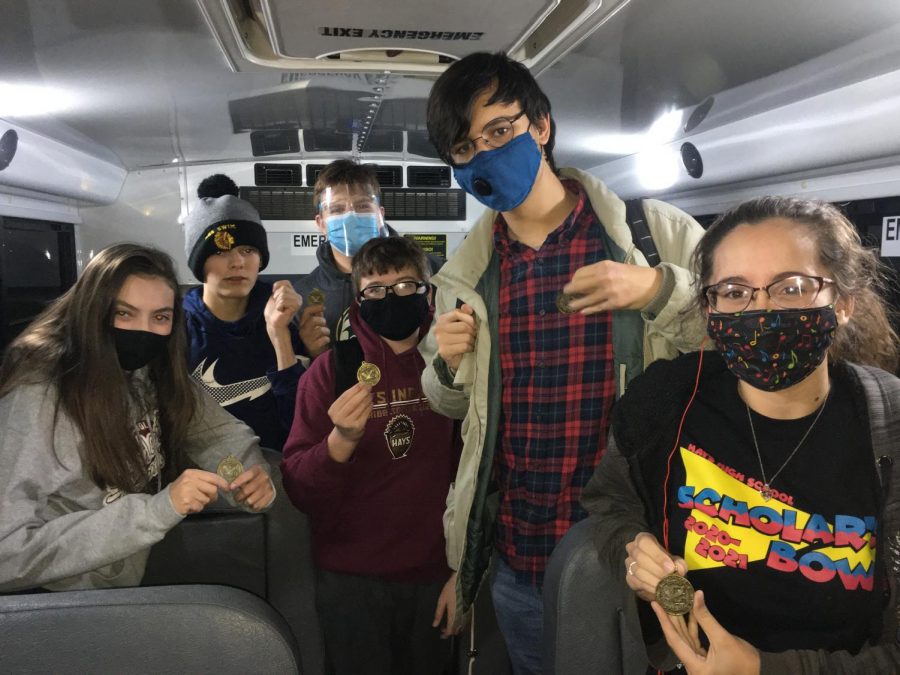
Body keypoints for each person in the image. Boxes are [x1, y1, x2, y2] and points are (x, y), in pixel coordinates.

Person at [419, 51, 706, 671]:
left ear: (541, 126)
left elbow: (740, 344)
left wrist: (657, 291)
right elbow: (450, 406)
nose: (485, 156)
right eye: (465, 149)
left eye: (499, 131)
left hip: (641, 554)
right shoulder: (465, 277)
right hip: (518, 558)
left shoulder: (653, 233)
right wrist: (443, 364)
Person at [582, 196, 900, 673]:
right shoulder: (665, 401)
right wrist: (634, 548)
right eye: (734, 292)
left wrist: (761, 670)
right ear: (710, 310)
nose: (761, 311)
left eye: (791, 287)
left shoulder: (888, 421)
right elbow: (610, 502)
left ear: (845, 303)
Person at [0, 244, 275, 593]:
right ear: (92, 312)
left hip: (125, 580)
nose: (142, 331)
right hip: (59, 601)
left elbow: (217, 433)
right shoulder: (40, 395)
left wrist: (250, 475)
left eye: (160, 317)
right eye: (124, 314)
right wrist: (157, 510)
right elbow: (6, 553)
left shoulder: (151, 371)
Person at [281, 236, 459, 675]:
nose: (392, 297)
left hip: (435, 576)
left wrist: (464, 572)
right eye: (376, 290)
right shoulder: (332, 370)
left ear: (428, 293)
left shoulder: (455, 367)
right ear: (360, 301)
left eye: (406, 286)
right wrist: (339, 442)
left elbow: (476, 473)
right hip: (351, 581)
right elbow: (299, 486)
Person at [183, 174, 304, 451]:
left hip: (274, 472)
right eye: (221, 250)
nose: (237, 262)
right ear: (199, 262)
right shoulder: (177, 328)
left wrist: (279, 334)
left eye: (248, 249)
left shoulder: (282, 316)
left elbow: (299, 421)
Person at [293, 160, 389, 359]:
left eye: (362, 205)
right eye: (336, 210)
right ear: (321, 224)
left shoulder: (422, 274)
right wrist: (313, 353)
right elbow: (297, 383)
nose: (351, 217)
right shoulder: (301, 297)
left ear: (380, 215)